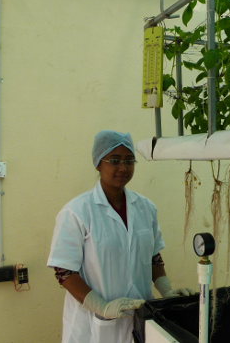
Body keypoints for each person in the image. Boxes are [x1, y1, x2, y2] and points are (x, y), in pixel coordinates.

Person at [48, 130, 194, 343]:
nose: (123, 168)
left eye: (129, 161)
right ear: (98, 164)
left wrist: (167, 292)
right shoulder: (77, 212)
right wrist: (103, 307)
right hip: (94, 325)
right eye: (114, 160)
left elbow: (153, 257)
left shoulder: (145, 208)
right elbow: (64, 271)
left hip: (140, 318)